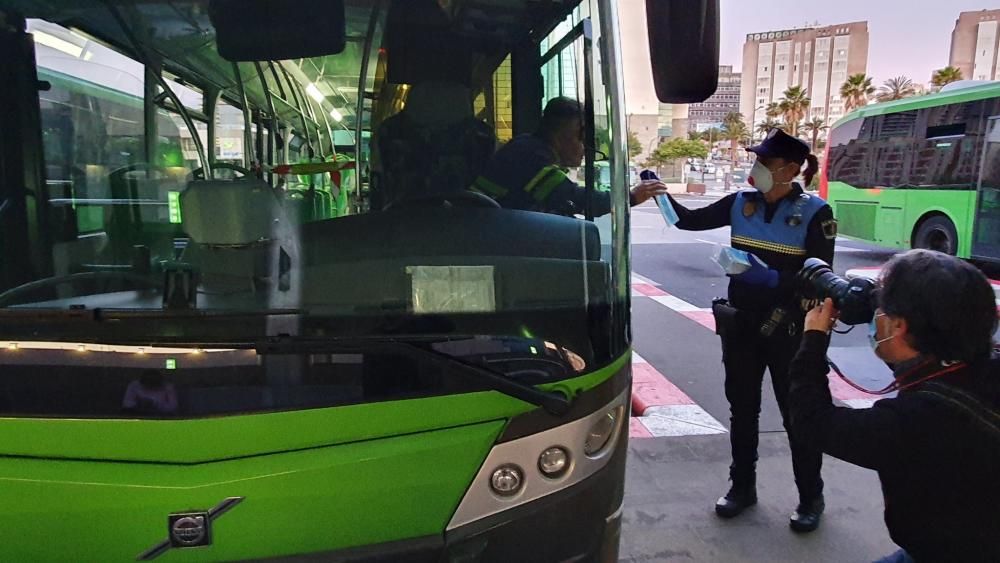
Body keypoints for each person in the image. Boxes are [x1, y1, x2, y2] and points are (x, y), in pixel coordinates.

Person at [663, 128, 837, 531]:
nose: (756, 168)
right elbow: (688, 220)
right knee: (742, 410)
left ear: (791, 169)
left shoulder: (816, 213)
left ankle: (811, 495)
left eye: (765, 162)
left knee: (798, 415)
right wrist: (657, 192)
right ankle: (742, 487)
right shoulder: (741, 202)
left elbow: (821, 277)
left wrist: (775, 280)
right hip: (741, 325)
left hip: (789, 330)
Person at [791, 250, 999, 562]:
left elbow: (812, 421)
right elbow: (922, 365)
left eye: (882, 308)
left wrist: (814, 337)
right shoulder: (981, 366)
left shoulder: (909, 423)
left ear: (899, 326)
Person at [471, 97, 665, 216]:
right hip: (483, 226)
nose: (585, 148)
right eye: (581, 137)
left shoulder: (526, 146)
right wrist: (629, 197)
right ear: (560, 134)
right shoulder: (532, 155)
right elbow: (571, 198)